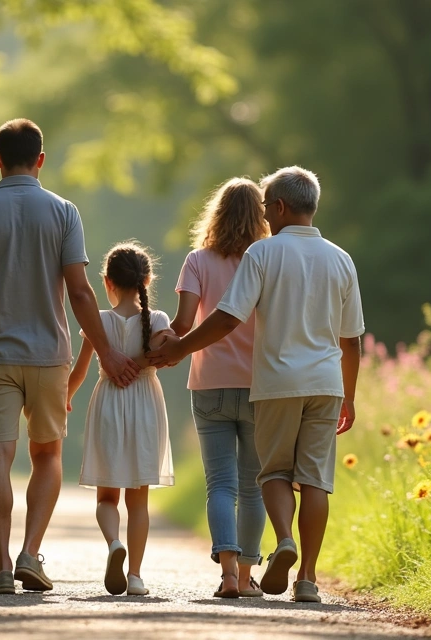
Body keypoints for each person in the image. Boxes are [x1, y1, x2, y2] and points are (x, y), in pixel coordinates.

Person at [0, 119, 141, 595]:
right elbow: (79, 291)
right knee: (47, 453)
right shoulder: (64, 213)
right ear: (40, 159)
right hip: (49, 355)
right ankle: (30, 553)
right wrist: (110, 353)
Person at [149, 166, 364, 602]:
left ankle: (282, 539)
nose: (265, 216)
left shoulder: (263, 256)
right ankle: (307, 578)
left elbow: (228, 318)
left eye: (269, 206)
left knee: (272, 474)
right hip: (327, 384)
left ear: (282, 206)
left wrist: (179, 349)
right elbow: (352, 339)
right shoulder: (341, 259)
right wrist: (351, 397)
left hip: (277, 383)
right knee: (317, 481)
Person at [169, 177, 270, 599]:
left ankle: (228, 575)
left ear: (217, 213)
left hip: (208, 383)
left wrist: (157, 347)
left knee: (220, 485)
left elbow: (182, 325)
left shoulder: (197, 261)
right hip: (260, 384)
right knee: (253, 485)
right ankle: (247, 579)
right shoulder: (267, 260)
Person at [68, 243, 175, 597]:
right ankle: (136, 576)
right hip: (146, 404)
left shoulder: (97, 322)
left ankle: (114, 542)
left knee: (106, 498)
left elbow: (79, 372)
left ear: (106, 281)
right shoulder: (157, 320)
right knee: (138, 501)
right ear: (147, 279)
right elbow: (167, 352)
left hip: (109, 403)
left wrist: (64, 399)